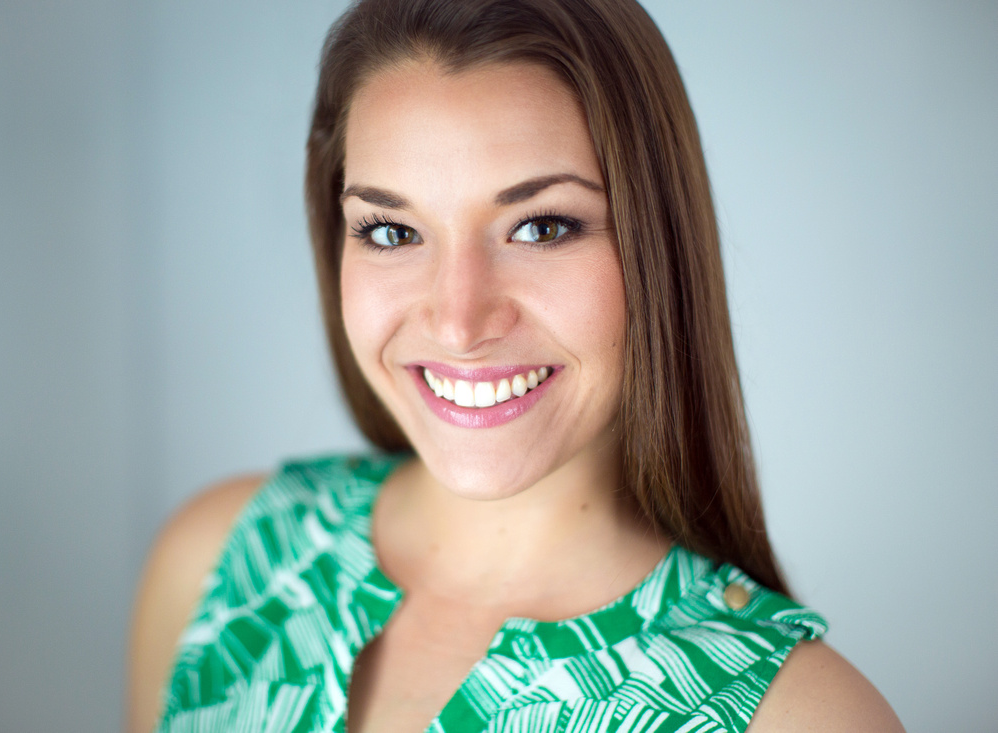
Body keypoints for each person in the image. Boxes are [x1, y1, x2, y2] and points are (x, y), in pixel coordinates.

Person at [127, 1, 905, 731]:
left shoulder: (800, 714)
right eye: (393, 232)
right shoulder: (216, 564)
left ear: (656, 247)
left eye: (541, 227)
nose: (460, 322)